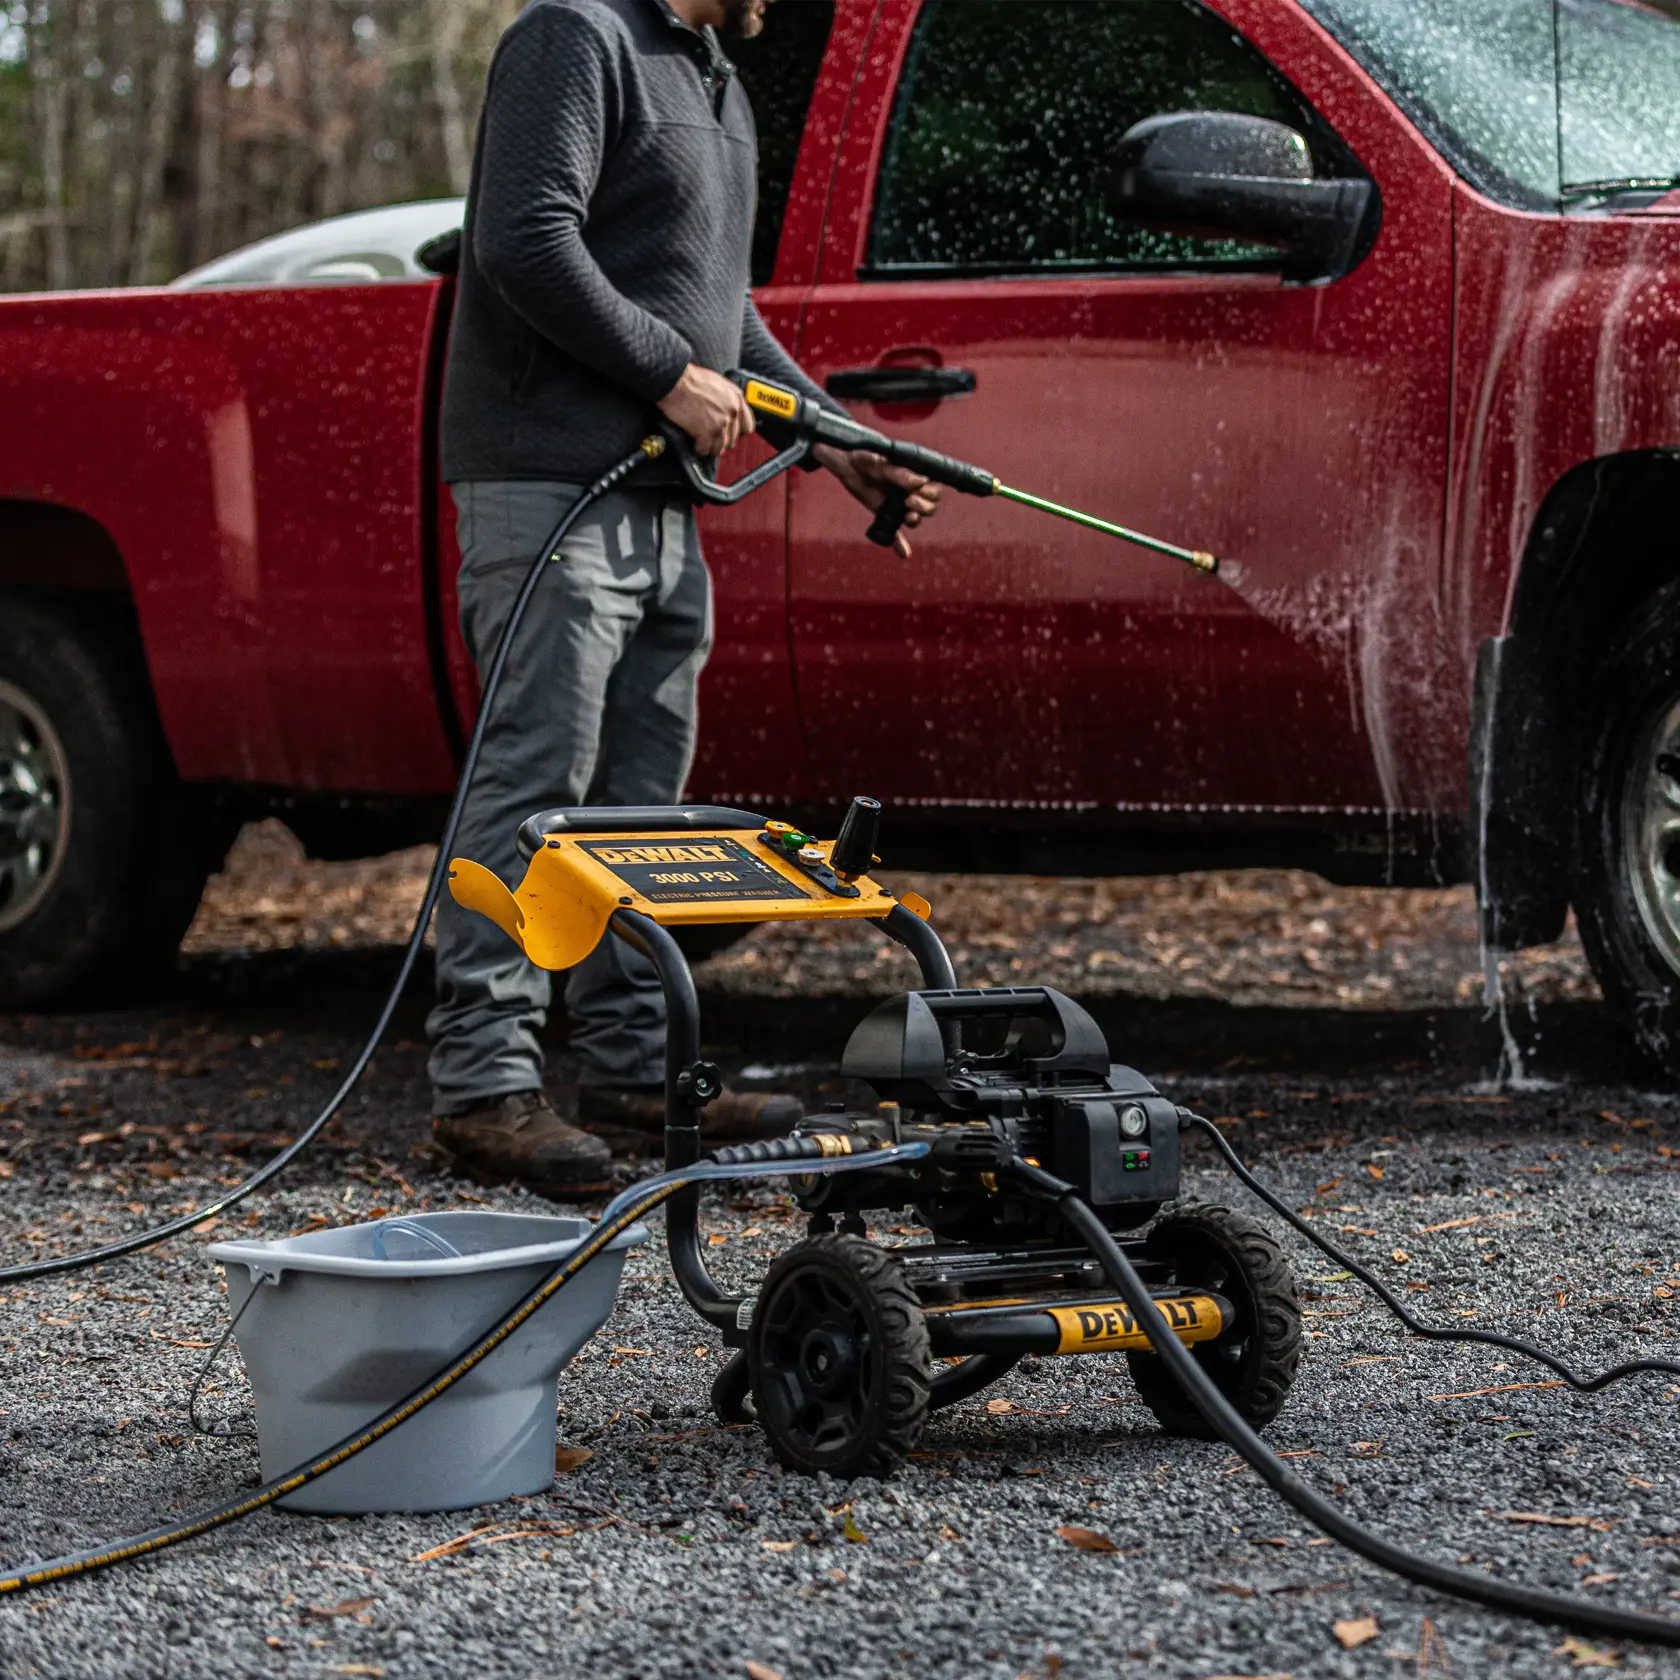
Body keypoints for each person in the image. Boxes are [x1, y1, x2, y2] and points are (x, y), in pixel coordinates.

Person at [429, 0, 941, 1193]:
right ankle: (484, 1090)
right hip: (549, 486)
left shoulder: (717, 80)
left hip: (660, 502)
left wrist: (831, 438)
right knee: (532, 791)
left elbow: (721, 316)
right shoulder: (574, 35)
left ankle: (627, 1067)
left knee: (637, 806)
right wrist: (667, 375)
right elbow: (524, 240)